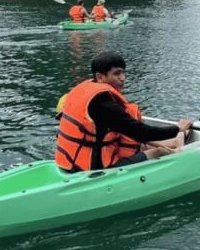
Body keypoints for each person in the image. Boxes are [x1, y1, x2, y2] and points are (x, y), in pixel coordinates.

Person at [55, 52, 192, 172]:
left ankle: (176, 141)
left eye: (123, 72)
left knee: (139, 145)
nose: (123, 78)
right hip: (95, 168)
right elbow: (141, 132)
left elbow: (134, 133)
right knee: (158, 152)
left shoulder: (83, 90)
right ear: (100, 77)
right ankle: (179, 148)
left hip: (69, 162)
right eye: (117, 73)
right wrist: (177, 128)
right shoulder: (103, 105)